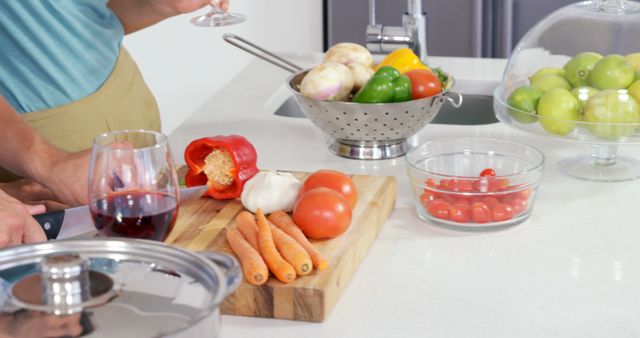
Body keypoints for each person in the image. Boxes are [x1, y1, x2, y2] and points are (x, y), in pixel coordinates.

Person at [0, 0, 228, 248]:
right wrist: (49, 162)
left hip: (129, 128)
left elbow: (79, 21)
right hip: (40, 164)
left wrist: (158, 6)